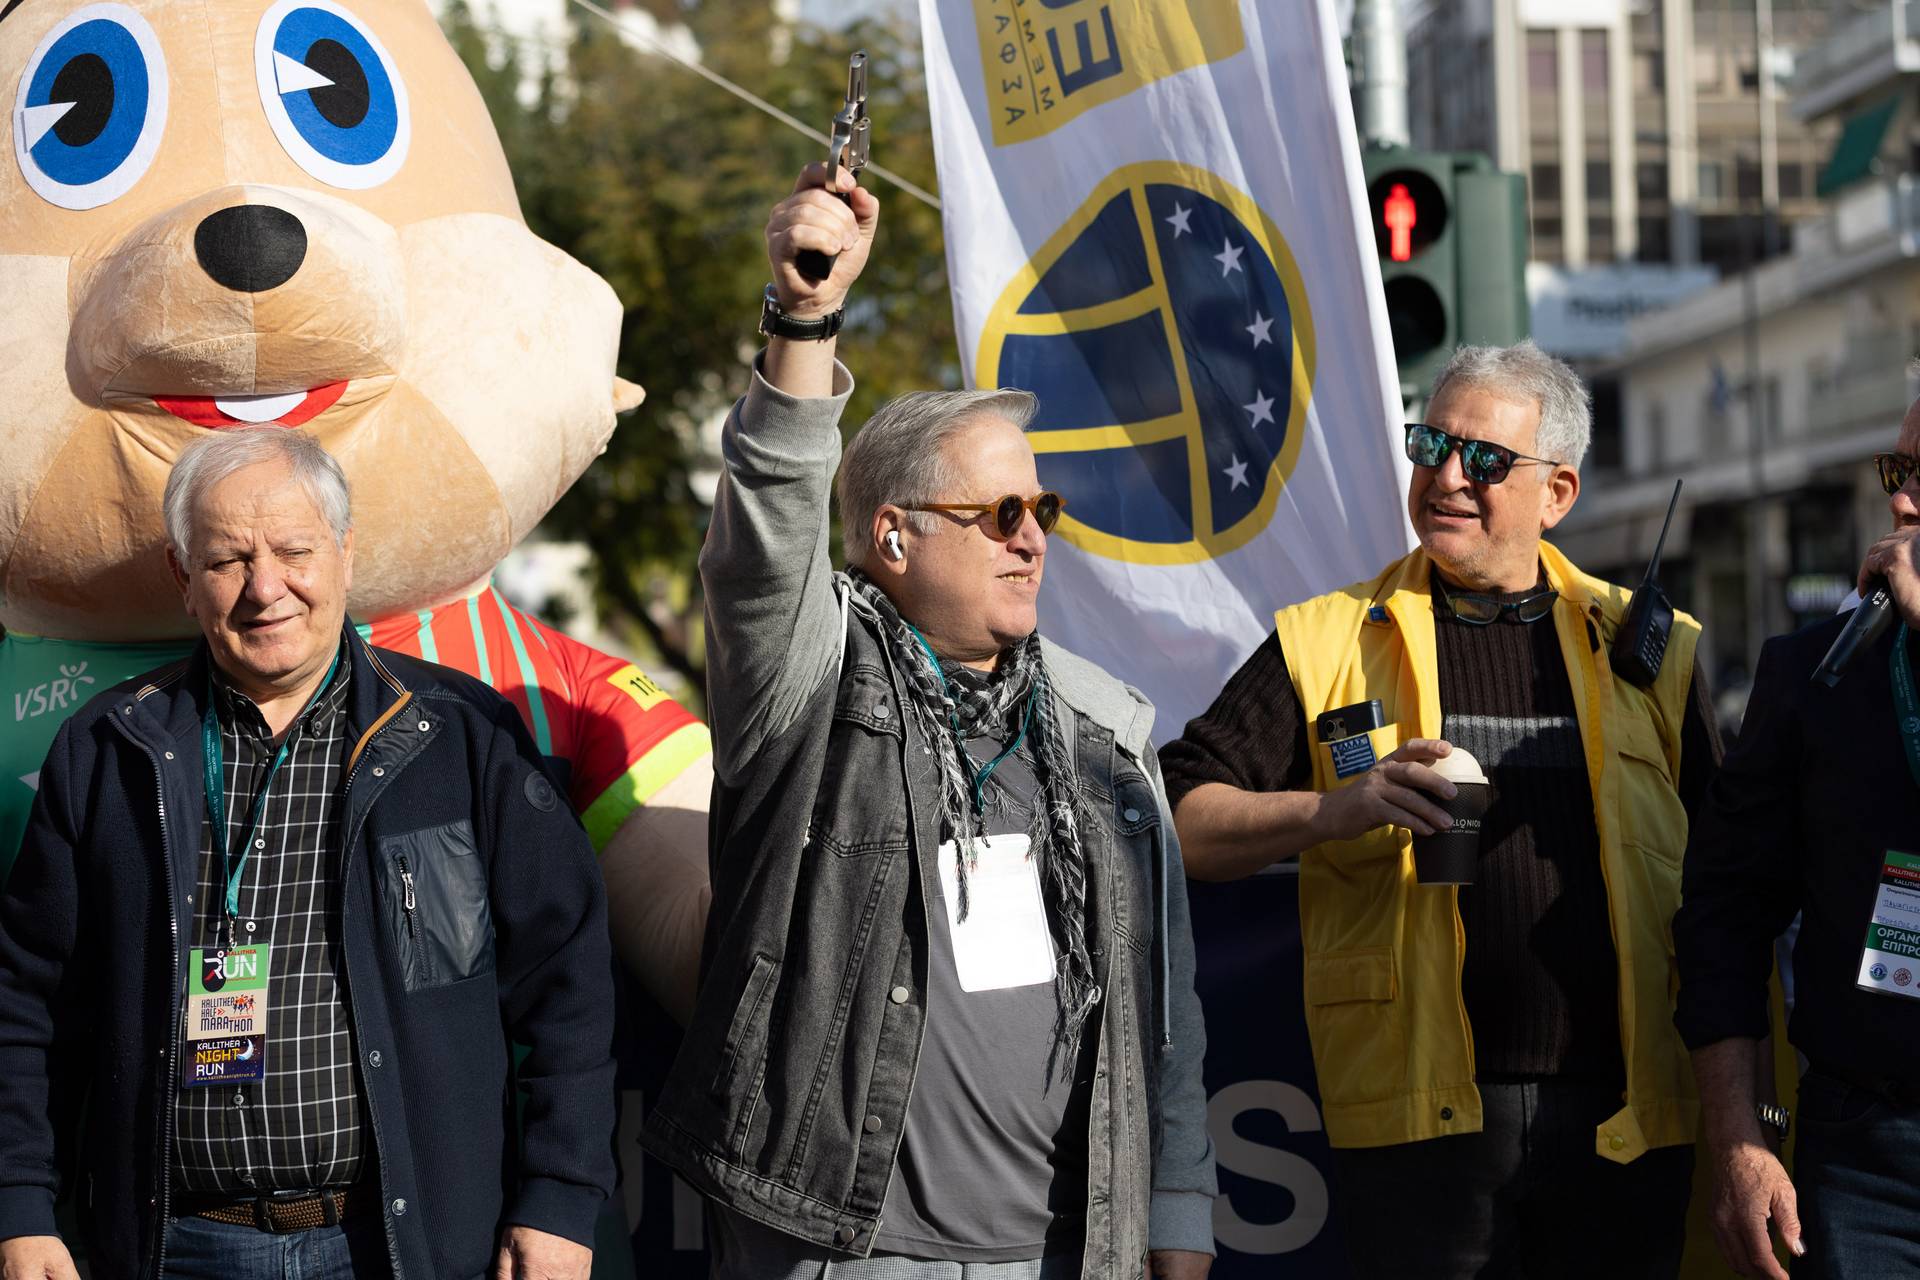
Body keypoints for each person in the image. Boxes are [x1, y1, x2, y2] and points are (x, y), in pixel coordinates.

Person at [639, 164, 1216, 1280]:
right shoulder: (811, 688)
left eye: (1040, 509)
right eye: (999, 513)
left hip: (1066, 1252)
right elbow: (766, 535)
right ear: (894, 537)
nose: (1032, 538)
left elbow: (1164, 997)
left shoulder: (1103, 731)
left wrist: (1178, 1204)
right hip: (842, 1246)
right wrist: (804, 317)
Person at [1160, 342, 1721, 1278]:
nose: (1448, 476)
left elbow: (1734, 885)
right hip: (1420, 1128)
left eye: (1487, 459)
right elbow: (1175, 820)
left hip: (1625, 1120)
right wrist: (1326, 813)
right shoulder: (1327, 637)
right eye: (1432, 445)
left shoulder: (1653, 651)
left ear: (1557, 493)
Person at [0, 429, 616, 1280]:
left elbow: (566, 984)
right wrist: (19, 1204)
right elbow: (27, 1001)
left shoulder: (461, 738)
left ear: (345, 554)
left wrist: (560, 1197)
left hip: (405, 1249)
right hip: (177, 1250)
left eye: (294, 551)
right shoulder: (108, 750)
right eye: (227, 560)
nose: (265, 588)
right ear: (183, 578)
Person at [1675, 396, 1920, 1280]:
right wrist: (1741, 1137)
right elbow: (1726, 911)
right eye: (1900, 471)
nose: (1903, 501)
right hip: (1867, 1157)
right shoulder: (1813, 672)